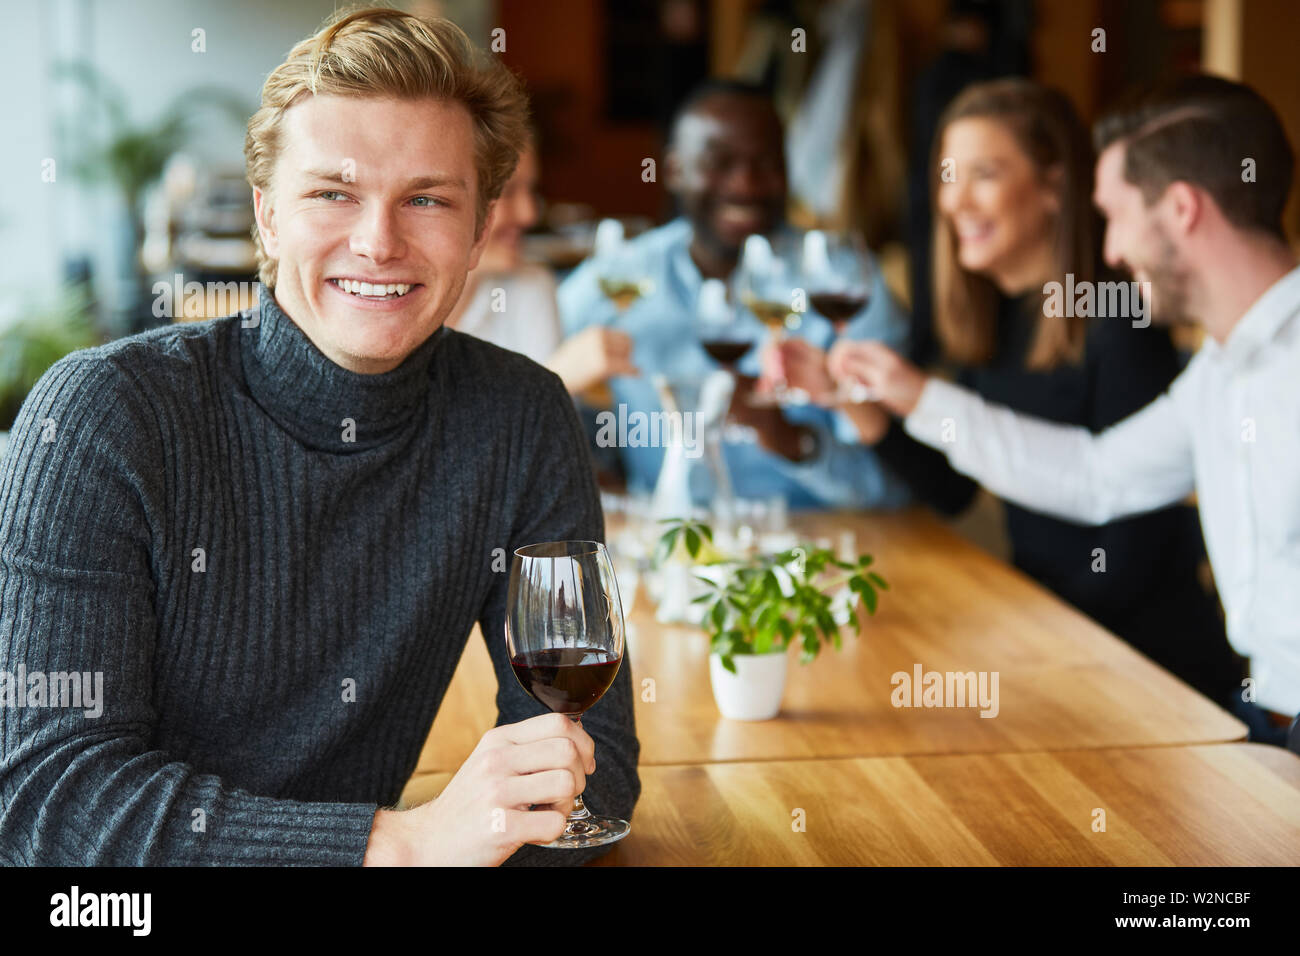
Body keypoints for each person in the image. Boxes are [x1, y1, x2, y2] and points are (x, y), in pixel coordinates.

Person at [0, 8, 640, 865]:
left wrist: (479, 830)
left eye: (426, 199)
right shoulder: (102, 416)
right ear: (267, 217)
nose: (378, 241)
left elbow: (592, 767)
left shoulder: (521, 416)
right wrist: (401, 846)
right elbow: (49, 798)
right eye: (333, 193)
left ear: (481, 230)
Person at [830, 76, 1300, 746]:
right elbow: (1096, 477)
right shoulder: (1218, 372)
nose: (1108, 251)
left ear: (1182, 210)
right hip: (1264, 725)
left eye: (1117, 217)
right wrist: (915, 398)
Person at [556, 78, 912, 509]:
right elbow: (521, 396)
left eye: (766, 163)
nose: (745, 184)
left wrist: (791, 440)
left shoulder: (846, 286)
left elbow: (902, 491)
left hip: (819, 551)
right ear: (673, 170)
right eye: (720, 162)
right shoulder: (620, 279)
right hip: (665, 548)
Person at [445, 133, 638, 394]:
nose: (529, 213)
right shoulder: (393, 298)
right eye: (508, 192)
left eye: (531, 190)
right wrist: (559, 380)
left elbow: (541, 434)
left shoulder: (531, 286)